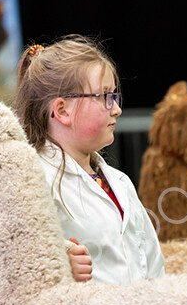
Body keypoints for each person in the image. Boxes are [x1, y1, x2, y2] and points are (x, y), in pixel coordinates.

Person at [13, 36, 164, 284]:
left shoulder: (120, 182)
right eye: (104, 96)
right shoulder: (31, 181)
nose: (116, 109)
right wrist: (55, 265)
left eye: (114, 95)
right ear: (62, 111)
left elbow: (154, 264)